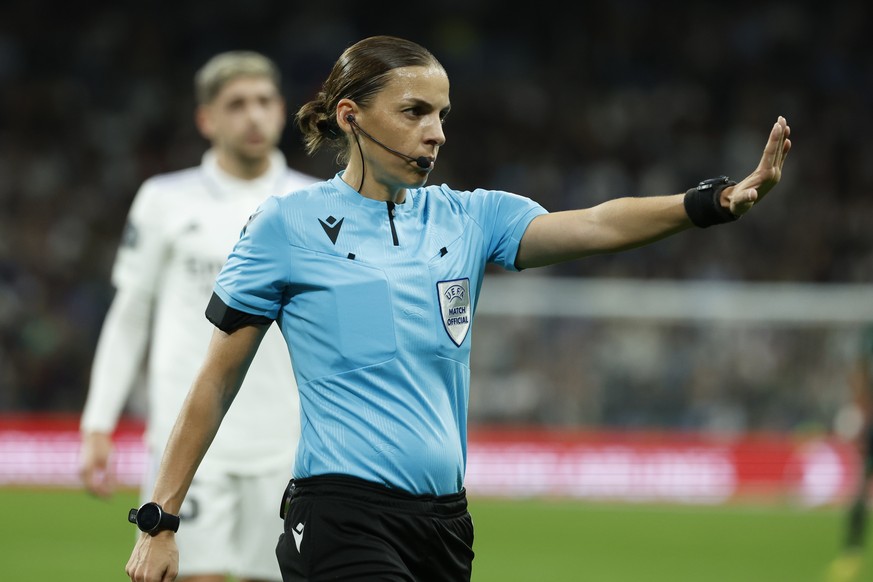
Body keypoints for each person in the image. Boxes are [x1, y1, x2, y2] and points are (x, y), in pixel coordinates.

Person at [124, 35, 792, 582]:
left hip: (444, 525)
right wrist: (161, 518)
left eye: (442, 114)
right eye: (415, 112)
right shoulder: (286, 226)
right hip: (341, 516)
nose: (436, 133)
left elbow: (594, 224)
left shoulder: (468, 218)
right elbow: (215, 381)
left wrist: (709, 203)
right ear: (351, 115)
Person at [80, 50, 319, 582]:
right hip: (187, 444)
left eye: (264, 101)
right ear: (206, 119)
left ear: (282, 110)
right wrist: (99, 421)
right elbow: (130, 315)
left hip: (289, 444)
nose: (253, 115)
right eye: (236, 104)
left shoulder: (316, 204)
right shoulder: (164, 200)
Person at [826, 325, 873, 582]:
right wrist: (862, 415)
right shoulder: (869, 335)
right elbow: (860, 377)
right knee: (860, 490)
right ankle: (852, 552)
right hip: (872, 426)